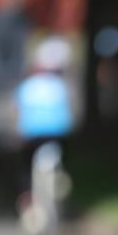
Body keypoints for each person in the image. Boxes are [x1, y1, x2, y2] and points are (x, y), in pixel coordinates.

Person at [14, 35, 74, 216]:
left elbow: (18, 113)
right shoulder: (60, 85)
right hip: (57, 133)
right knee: (62, 160)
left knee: (26, 166)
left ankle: (27, 199)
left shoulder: (27, 85)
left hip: (32, 134)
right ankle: (61, 184)